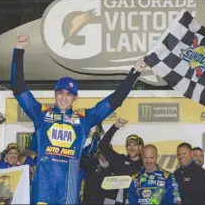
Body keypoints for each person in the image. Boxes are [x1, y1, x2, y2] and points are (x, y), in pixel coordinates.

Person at [10, 35, 147, 204]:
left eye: (69, 94)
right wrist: (18, 51)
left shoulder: (84, 119)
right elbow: (18, 89)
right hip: (43, 186)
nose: (63, 98)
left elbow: (114, 101)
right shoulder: (41, 113)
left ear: (76, 97)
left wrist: (134, 73)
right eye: (60, 92)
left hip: (68, 187)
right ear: (55, 94)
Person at [99, 118, 144, 203]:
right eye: (129, 145)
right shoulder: (119, 160)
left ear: (140, 147)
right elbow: (103, 145)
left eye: (135, 145)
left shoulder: (145, 165)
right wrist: (115, 126)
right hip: (111, 201)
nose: (131, 148)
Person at [0, 113, 20, 182]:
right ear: (6, 155)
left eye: (15, 153)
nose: (13, 155)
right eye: (10, 153)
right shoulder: (0, 163)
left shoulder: (21, 169)